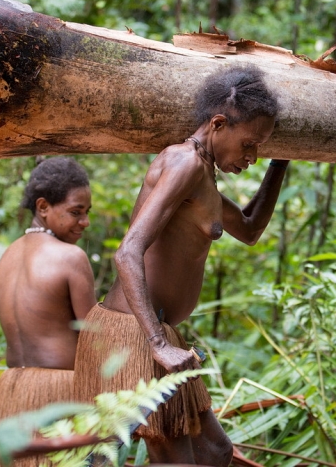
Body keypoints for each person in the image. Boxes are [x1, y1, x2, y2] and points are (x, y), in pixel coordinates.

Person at [74, 64, 288, 466]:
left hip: (158, 337)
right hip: (136, 335)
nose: (253, 157)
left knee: (217, 452)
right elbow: (128, 251)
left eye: (260, 147)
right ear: (219, 124)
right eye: (248, 144)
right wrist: (156, 344)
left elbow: (249, 227)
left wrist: (281, 164)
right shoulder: (183, 163)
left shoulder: (202, 176)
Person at [0, 156, 96, 466]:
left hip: (12, 393)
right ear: (43, 206)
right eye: (76, 212)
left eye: (87, 213)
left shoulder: (7, 257)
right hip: (58, 397)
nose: (85, 222)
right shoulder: (70, 258)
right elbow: (94, 338)